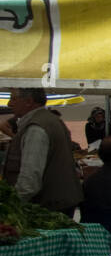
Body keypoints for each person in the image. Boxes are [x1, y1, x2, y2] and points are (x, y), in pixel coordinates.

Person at [0, 88, 83, 216]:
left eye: (14, 99)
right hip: (60, 202)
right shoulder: (51, 120)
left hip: (47, 206)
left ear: (28, 101)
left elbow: (30, 178)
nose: (9, 104)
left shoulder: (36, 128)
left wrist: (12, 207)